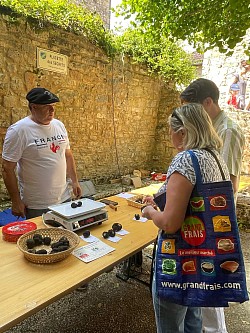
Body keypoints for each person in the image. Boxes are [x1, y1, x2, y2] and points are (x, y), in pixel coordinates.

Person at [142, 103, 230, 333]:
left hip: (179, 259)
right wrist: (161, 202)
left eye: (171, 131)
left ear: (182, 132)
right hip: (203, 257)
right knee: (193, 320)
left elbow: (171, 223)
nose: (169, 137)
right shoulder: (214, 157)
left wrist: (150, 212)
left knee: (170, 324)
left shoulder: (185, 159)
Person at [180, 78, 245, 333]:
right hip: (204, 212)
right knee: (202, 276)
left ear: (208, 102)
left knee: (210, 279)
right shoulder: (209, 126)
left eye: (193, 108)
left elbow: (224, 181)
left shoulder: (227, 130)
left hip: (215, 214)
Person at [2, 87, 82, 220]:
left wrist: (75, 181)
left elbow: (67, 155)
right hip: (37, 204)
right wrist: (16, 201)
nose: (52, 110)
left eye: (53, 106)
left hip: (64, 197)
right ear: (34, 107)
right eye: (47, 107)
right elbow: (7, 168)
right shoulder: (19, 130)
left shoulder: (59, 125)